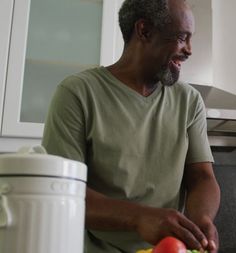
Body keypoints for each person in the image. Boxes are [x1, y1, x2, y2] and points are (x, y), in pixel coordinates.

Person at [42, 0, 220, 252]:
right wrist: (140, 217)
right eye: (182, 37)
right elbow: (63, 191)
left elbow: (202, 177)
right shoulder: (77, 93)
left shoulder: (189, 100)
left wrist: (202, 219)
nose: (189, 50)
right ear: (144, 30)